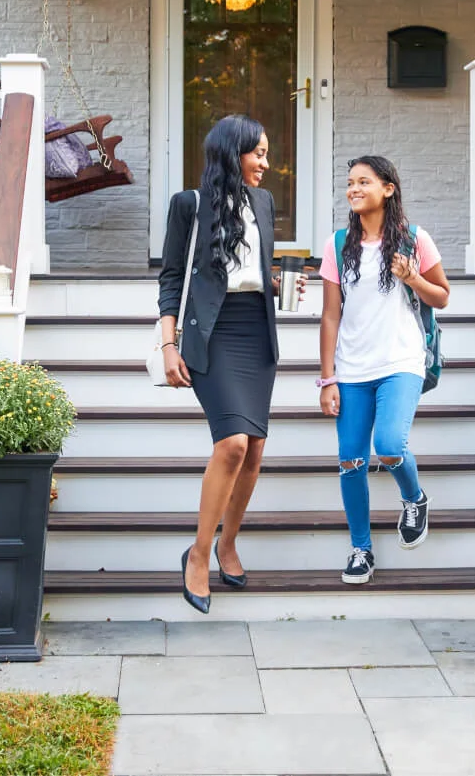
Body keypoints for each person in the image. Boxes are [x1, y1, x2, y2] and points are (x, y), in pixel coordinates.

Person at [158, 114, 304, 613]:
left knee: (256, 449)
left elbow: (252, 271)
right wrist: (168, 345)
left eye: (266, 153)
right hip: (213, 335)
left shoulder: (262, 202)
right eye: (257, 153)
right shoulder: (189, 205)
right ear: (231, 153)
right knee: (232, 444)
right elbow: (172, 277)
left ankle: (228, 543)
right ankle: (198, 554)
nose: (267, 162)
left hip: (256, 331)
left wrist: (281, 284)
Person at [318, 156, 450, 584]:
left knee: (390, 445)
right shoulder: (338, 244)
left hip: (401, 360)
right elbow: (330, 316)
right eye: (350, 182)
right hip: (353, 368)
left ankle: (414, 498)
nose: (353, 189)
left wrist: (412, 277)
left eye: (363, 181)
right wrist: (328, 378)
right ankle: (361, 549)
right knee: (351, 460)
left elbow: (442, 297)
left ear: (388, 188)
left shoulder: (415, 239)